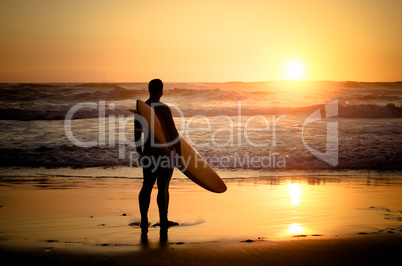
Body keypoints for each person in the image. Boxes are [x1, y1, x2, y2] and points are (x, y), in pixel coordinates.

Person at [134, 79, 182, 242]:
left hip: (148, 153)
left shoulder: (141, 108)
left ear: (149, 90)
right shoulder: (163, 108)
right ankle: (163, 221)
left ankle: (144, 220)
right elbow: (172, 132)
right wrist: (179, 153)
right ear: (161, 91)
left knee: (146, 186)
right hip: (164, 154)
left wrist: (139, 153)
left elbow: (137, 134)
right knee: (163, 188)